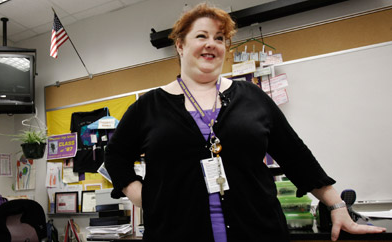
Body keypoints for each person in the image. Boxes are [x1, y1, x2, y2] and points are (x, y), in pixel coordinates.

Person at [103, 3, 386, 242]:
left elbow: (296, 156)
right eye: (201, 35)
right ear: (180, 44)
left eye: (220, 38)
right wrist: (140, 194)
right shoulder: (148, 106)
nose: (211, 43)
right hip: (176, 231)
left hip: (257, 231)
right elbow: (116, 155)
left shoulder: (252, 97)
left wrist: (336, 206)